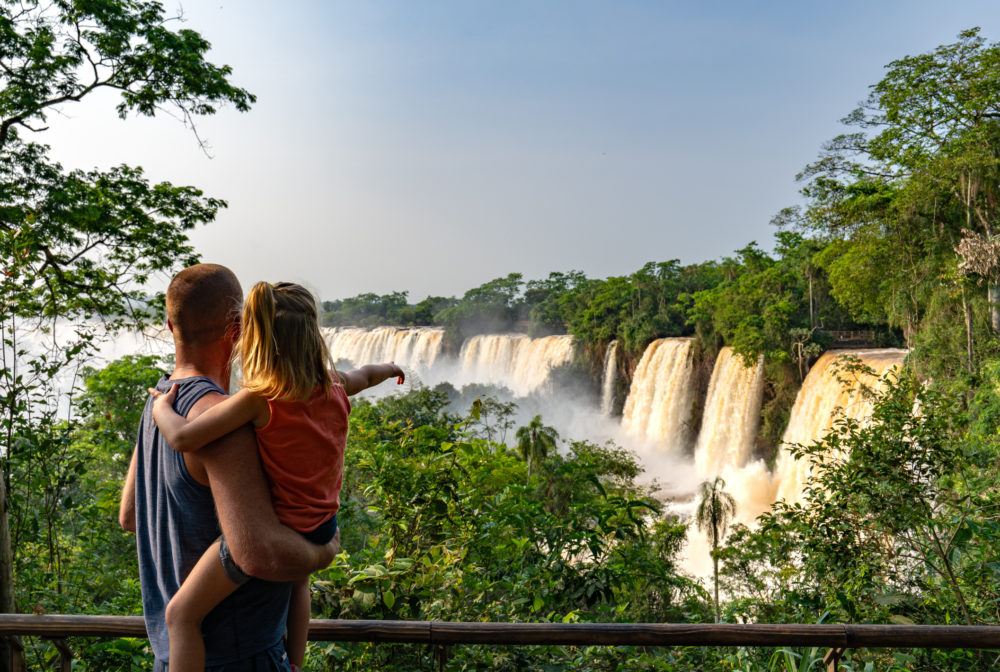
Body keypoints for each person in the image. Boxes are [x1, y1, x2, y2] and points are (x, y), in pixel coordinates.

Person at [147, 280, 405, 672]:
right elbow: (366, 375)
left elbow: (182, 437)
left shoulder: (257, 400)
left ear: (252, 341)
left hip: (282, 527)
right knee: (299, 582)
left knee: (181, 615)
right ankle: (296, 664)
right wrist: (390, 368)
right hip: (320, 524)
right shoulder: (334, 385)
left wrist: (161, 409)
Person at [119, 264, 339, 671]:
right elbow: (256, 554)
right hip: (240, 658)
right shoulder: (223, 424)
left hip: (174, 657)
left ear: (170, 325)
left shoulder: (159, 402)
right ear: (239, 330)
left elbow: (131, 515)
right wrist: (324, 551)